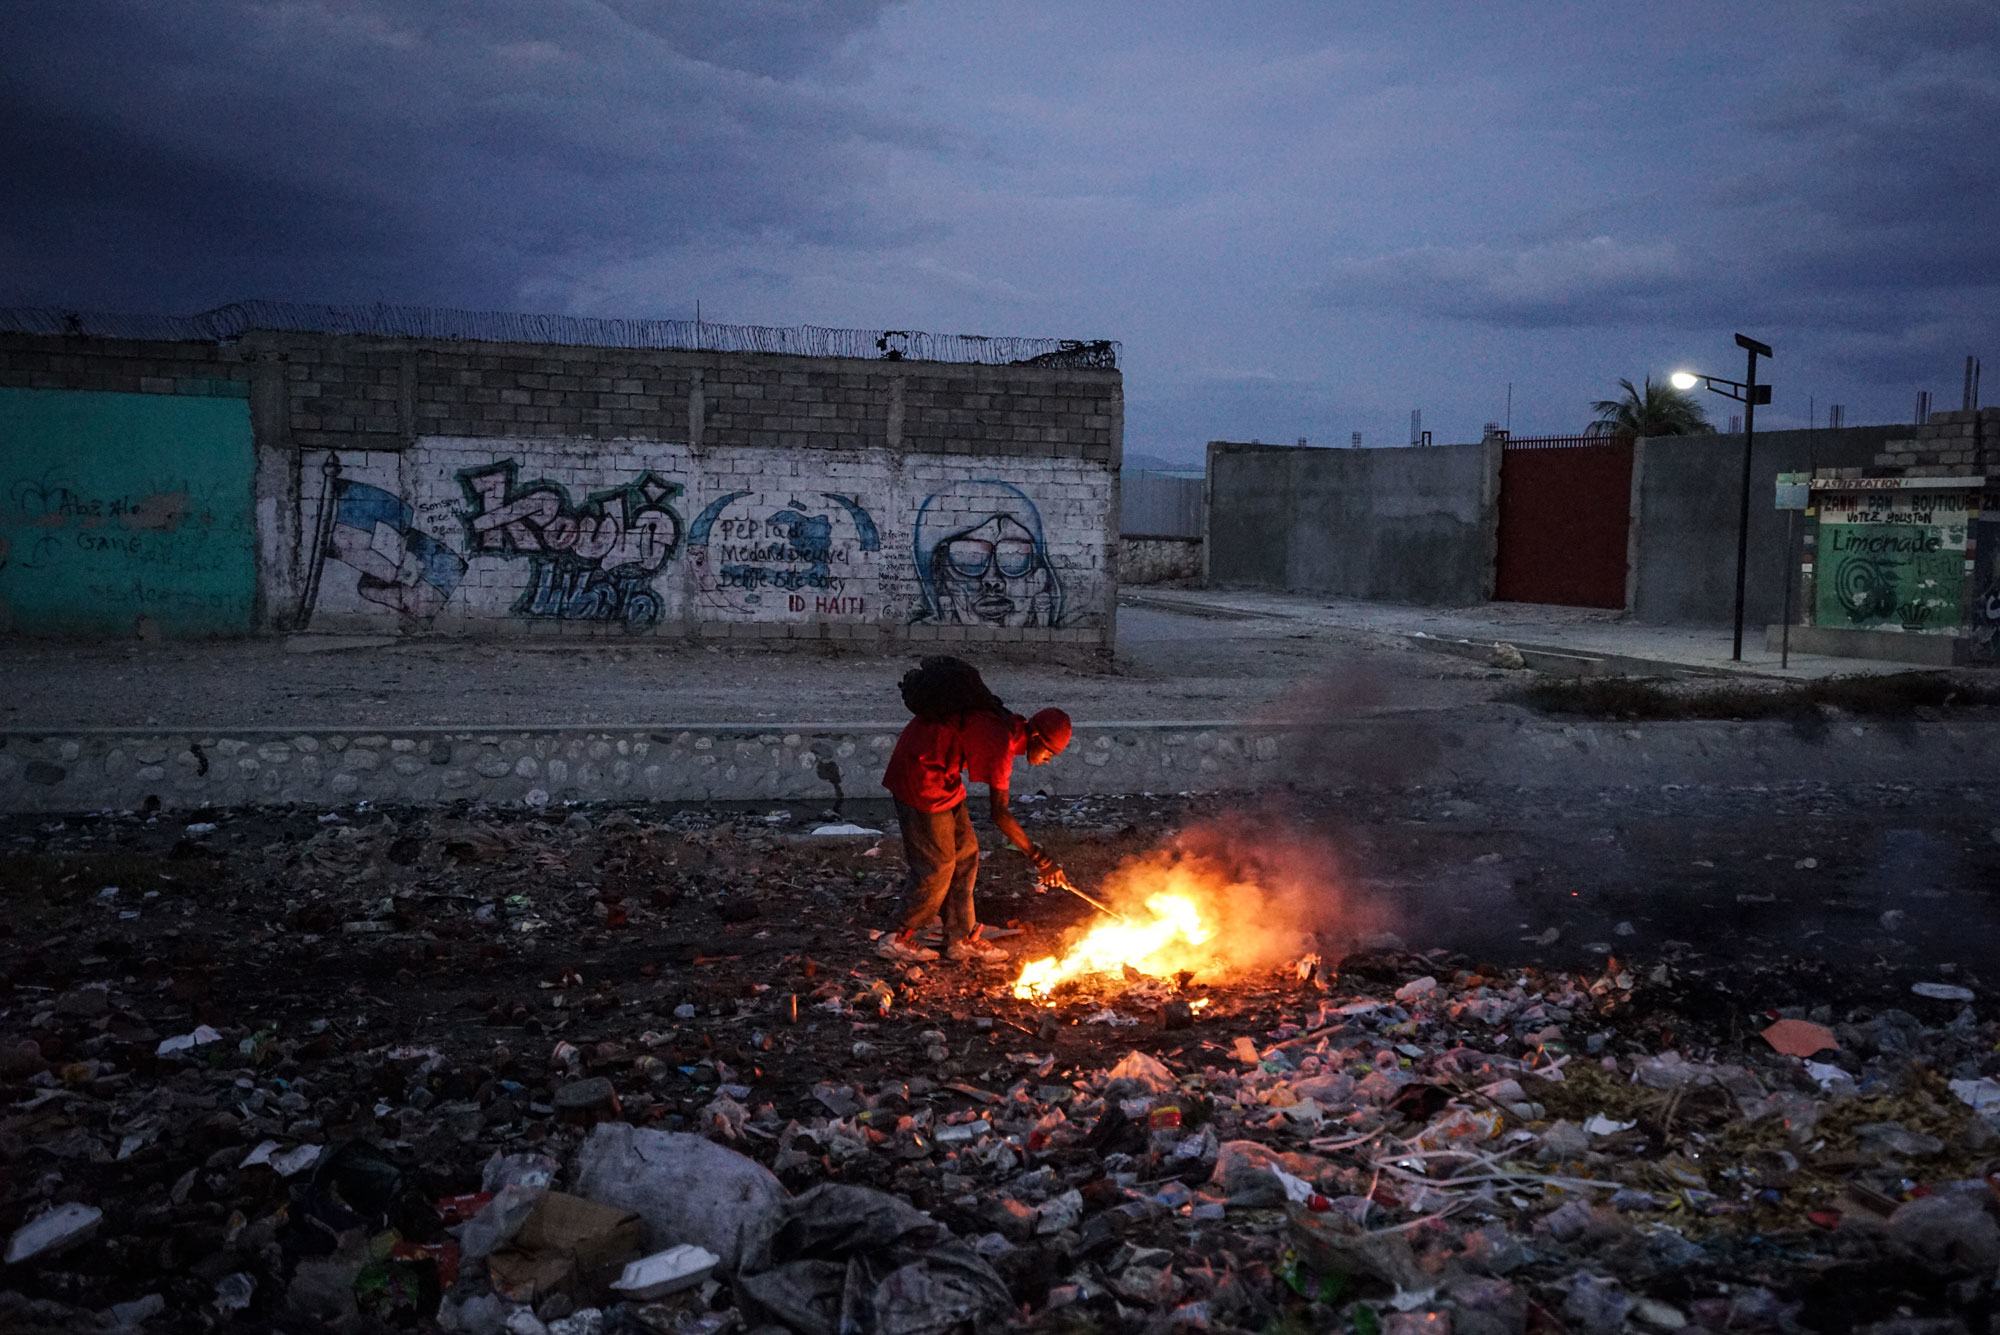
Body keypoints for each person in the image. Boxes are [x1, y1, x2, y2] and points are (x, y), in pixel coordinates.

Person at [878, 657, 1072, 965]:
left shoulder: (1006, 726)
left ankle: (961, 939)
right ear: (1036, 738)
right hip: (919, 777)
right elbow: (1000, 814)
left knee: (966, 854)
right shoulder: (1001, 741)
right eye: (1050, 752)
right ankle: (897, 936)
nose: (1048, 759)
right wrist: (1040, 858)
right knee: (937, 866)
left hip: (943, 778)